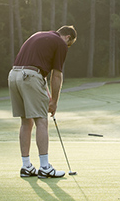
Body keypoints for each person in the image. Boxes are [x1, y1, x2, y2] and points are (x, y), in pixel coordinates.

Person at [8, 25, 77, 178]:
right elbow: (57, 75)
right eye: (69, 44)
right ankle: (45, 167)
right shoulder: (60, 43)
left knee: (26, 121)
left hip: (14, 75)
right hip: (30, 77)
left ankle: (26, 167)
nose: (67, 47)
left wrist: (47, 94)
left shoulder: (39, 35)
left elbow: (40, 71)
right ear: (67, 37)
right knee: (41, 120)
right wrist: (54, 102)